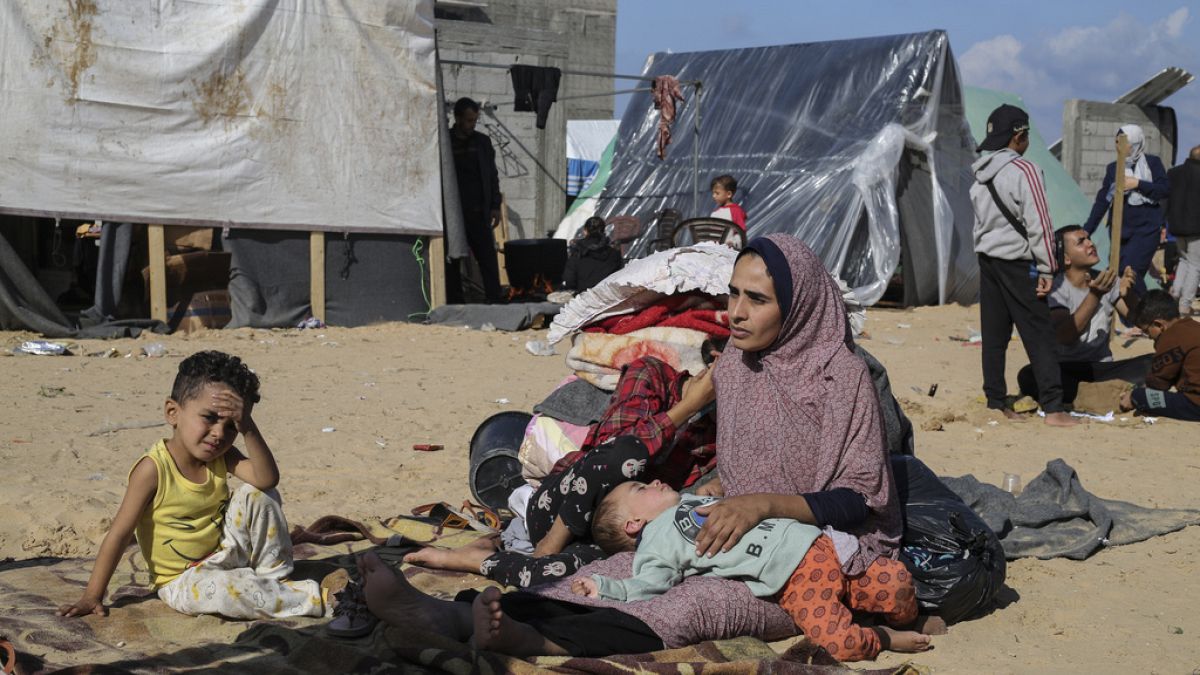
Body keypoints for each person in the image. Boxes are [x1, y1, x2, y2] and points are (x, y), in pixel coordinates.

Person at [361, 235, 923, 655]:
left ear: (799, 306)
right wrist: (709, 503)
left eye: (757, 299)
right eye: (733, 293)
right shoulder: (738, 366)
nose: (736, 312)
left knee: (693, 606)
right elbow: (739, 470)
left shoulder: (841, 378)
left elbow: (861, 499)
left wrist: (760, 506)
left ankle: (535, 641)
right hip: (733, 536)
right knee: (616, 570)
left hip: (811, 561)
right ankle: (454, 616)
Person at [400, 356, 716, 589]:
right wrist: (687, 407)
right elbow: (613, 447)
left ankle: (477, 559)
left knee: (555, 577)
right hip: (565, 504)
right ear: (711, 364)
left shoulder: (724, 427)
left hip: (618, 537)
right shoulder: (652, 374)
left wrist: (715, 487)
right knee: (625, 455)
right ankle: (551, 542)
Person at [58, 351, 324, 620]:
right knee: (229, 592)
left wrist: (248, 427)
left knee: (260, 494)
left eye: (231, 426)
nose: (219, 433)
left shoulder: (222, 455)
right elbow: (119, 534)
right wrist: (92, 595)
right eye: (209, 417)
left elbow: (267, 480)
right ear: (173, 412)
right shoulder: (153, 469)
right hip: (183, 581)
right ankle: (319, 599)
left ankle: (275, 578)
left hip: (225, 555)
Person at [573, 480, 930, 661]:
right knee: (836, 646)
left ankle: (907, 619)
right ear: (634, 523)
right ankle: (882, 637)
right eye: (641, 488)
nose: (655, 482)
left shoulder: (691, 498)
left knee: (897, 582)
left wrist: (715, 488)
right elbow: (648, 583)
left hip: (820, 542)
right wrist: (606, 587)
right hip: (795, 577)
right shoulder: (656, 544)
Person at [970, 104, 1076, 426]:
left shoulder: (979, 175)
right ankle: (1054, 408)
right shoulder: (1025, 170)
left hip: (988, 261)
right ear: (1020, 136)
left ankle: (995, 401)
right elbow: (1039, 223)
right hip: (1018, 263)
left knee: (994, 335)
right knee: (1039, 333)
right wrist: (1047, 268)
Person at [1016, 226, 1150, 405]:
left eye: (1089, 239)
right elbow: (1066, 336)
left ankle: (1096, 393)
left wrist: (1129, 294)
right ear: (1066, 258)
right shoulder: (1056, 288)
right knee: (1028, 375)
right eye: (1081, 242)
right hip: (1067, 368)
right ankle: (1098, 394)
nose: (1090, 244)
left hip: (1102, 368)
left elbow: (1142, 322)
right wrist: (1095, 295)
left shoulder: (1107, 280)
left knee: (1153, 362)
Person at [1082, 124, 1170, 299]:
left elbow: (1164, 190)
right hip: (1120, 230)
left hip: (1146, 229)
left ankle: (1149, 309)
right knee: (1117, 273)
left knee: (1131, 271)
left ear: (1135, 143)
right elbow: (1103, 200)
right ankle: (1132, 313)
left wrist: (1138, 184)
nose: (1118, 146)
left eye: (1123, 142)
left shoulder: (1152, 163)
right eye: (1116, 142)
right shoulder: (1113, 168)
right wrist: (1087, 229)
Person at [447, 97, 503, 304]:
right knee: (452, 259)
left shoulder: (482, 143)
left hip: (478, 212)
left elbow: (492, 176)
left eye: (475, 120)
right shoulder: (446, 141)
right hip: (454, 214)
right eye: (469, 120)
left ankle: (495, 300)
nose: (472, 124)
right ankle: (455, 302)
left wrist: (495, 205)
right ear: (458, 118)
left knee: (487, 258)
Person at [1119, 290, 1200, 421]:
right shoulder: (1193, 326)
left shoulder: (1170, 337)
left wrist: (1134, 395)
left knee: (1140, 396)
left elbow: (1157, 384)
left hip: (1195, 405)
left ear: (1159, 325)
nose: (1149, 337)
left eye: (1147, 331)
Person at [1167, 145, 1200, 316]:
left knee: (1183, 261)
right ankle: (1185, 304)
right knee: (1195, 265)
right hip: (1196, 229)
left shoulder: (1174, 173)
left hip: (1177, 226)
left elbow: (1166, 198)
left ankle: (1174, 295)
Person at [563, 216, 623, 293]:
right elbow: (619, 276)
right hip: (608, 295)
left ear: (585, 231)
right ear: (603, 230)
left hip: (584, 295)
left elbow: (570, 280)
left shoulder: (578, 251)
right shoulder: (614, 253)